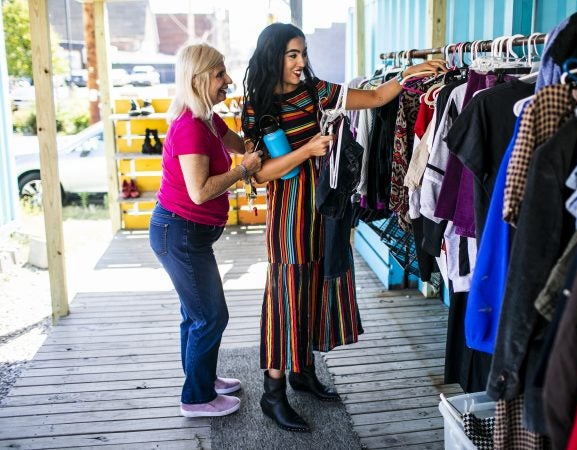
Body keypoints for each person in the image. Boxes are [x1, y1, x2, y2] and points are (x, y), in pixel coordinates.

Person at [242, 23, 446, 432]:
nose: (301, 62)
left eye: (303, 53)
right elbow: (261, 175)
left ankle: (303, 372)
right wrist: (308, 149)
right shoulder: (256, 108)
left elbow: (372, 98)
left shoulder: (316, 90)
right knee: (287, 297)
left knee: (317, 285)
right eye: (292, 55)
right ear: (273, 57)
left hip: (325, 209)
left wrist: (406, 76)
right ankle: (273, 392)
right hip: (288, 217)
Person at [149, 42, 262, 418]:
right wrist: (244, 170)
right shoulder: (190, 129)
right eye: (220, 74)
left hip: (188, 234)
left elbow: (242, 144)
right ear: (198, 80)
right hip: (179, 234)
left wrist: (270, 138)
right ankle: (196, 399)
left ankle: (202, 379)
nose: (227, 80)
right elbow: (200, 192)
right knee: (211, 316)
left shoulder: (208, 119)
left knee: (194, 314)